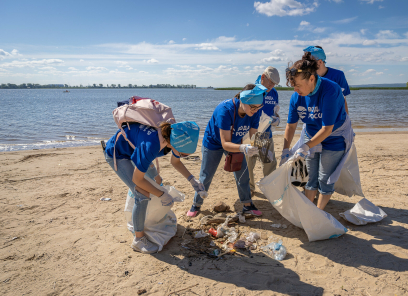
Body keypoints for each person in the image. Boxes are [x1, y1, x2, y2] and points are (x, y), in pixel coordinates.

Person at [104, 121, 204, 254]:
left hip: (136, 148)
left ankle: (144, 220)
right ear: (175, 143)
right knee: (142, 193)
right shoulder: (153, 145)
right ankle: (138, 240)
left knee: (155, 182)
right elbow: (137, 179)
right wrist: (162, 195)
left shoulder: (172, 136)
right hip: (118, 154)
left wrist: (192, 180)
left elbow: (175, 161)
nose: (183, 156)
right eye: (184, 154)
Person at [280, 52, 352, 210]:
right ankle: (308, 209)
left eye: (298, 85)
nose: (296, 90)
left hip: (334, 135)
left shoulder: (330, 90)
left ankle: (318, 212)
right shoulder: (296, 97)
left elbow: (327, 129)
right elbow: (291, 126)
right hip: (312, 134)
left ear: (311, 78)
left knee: (325, 178)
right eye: (293, 86)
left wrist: (305, 147)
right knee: (310, 177)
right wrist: (285, 150)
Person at [187, 84, 267, 217]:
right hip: (213, 142)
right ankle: (196, 204)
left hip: (235, 142)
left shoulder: (255, 112)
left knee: (243, 173)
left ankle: (247, 205)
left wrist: (258, 146)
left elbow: (253, 137)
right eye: (253, 107)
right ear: (243, 100)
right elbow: (225, 144)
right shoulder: (225, 110)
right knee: (206, 175)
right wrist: (243, 148)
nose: (255, 110)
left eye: (259, 107)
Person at [246, 67, 280, 194]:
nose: (271, 85)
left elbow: (275, 111)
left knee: (269, 162)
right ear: (263, 77)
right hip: (251, 134)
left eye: (274, 84)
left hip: (266, 134)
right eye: (270, 81)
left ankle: (269, 187)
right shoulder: (251, 90)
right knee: (249, 163)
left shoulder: (274, 93)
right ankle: (249, 188)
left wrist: (277, 119)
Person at [303, 46, 350, 114]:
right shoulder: (307, 76)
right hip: (313, 117)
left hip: (333, 117)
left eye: (310, 63)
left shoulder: (338, 75)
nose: (308, 65)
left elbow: (343, 99)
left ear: (320, 62)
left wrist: (347, 119)